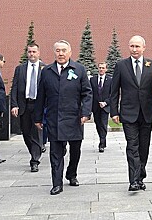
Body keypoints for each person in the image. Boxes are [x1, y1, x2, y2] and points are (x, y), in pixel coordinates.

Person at [34, 40, 92, 195]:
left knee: (75, 150)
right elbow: (41, 96)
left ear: (70, 52)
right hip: (54, 118)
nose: (61, 53)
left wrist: (85, 113)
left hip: (74, 117)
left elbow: (87, 93)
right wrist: (38, 117)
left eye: (64, 50)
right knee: (56, 152)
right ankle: (57, 183)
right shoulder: (47, 71)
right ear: (54, 52)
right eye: (58, 50)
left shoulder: (79, 69)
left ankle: (72, 174)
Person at [110, 35, 152, 192]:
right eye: (132, 46)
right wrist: (114, 111)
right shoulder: (121, 65)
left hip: (146, 113)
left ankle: (140, 174)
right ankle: (134, 180)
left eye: (137, 46)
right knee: (132, 146)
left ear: (143, 48)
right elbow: (114, 90)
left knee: (143, 147)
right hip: (128, 113)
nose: (134, 49)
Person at [10, 43, 45, 172]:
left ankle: (34, 160)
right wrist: (14, 104)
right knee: (26, 133)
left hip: (38, 105)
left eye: (34, 52)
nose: (31, 54)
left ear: (38, 53)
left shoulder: (44, 69)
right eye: (29, 52)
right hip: (24, 104)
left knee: (36, 133)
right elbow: (14, 87)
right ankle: (35, 150)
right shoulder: (20, 69)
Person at [90, 62, 112, 153]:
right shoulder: (93, 80)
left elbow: (113, 94)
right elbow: (90, 93)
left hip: (105, 107)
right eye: (100, 68)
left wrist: (106, 103)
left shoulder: (110, 80)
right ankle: (103, 139)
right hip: (95, 107)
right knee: (98, 125)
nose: (101, 69)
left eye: (103, 68)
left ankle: (101, 144)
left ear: (106, 69)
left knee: (103, 124)